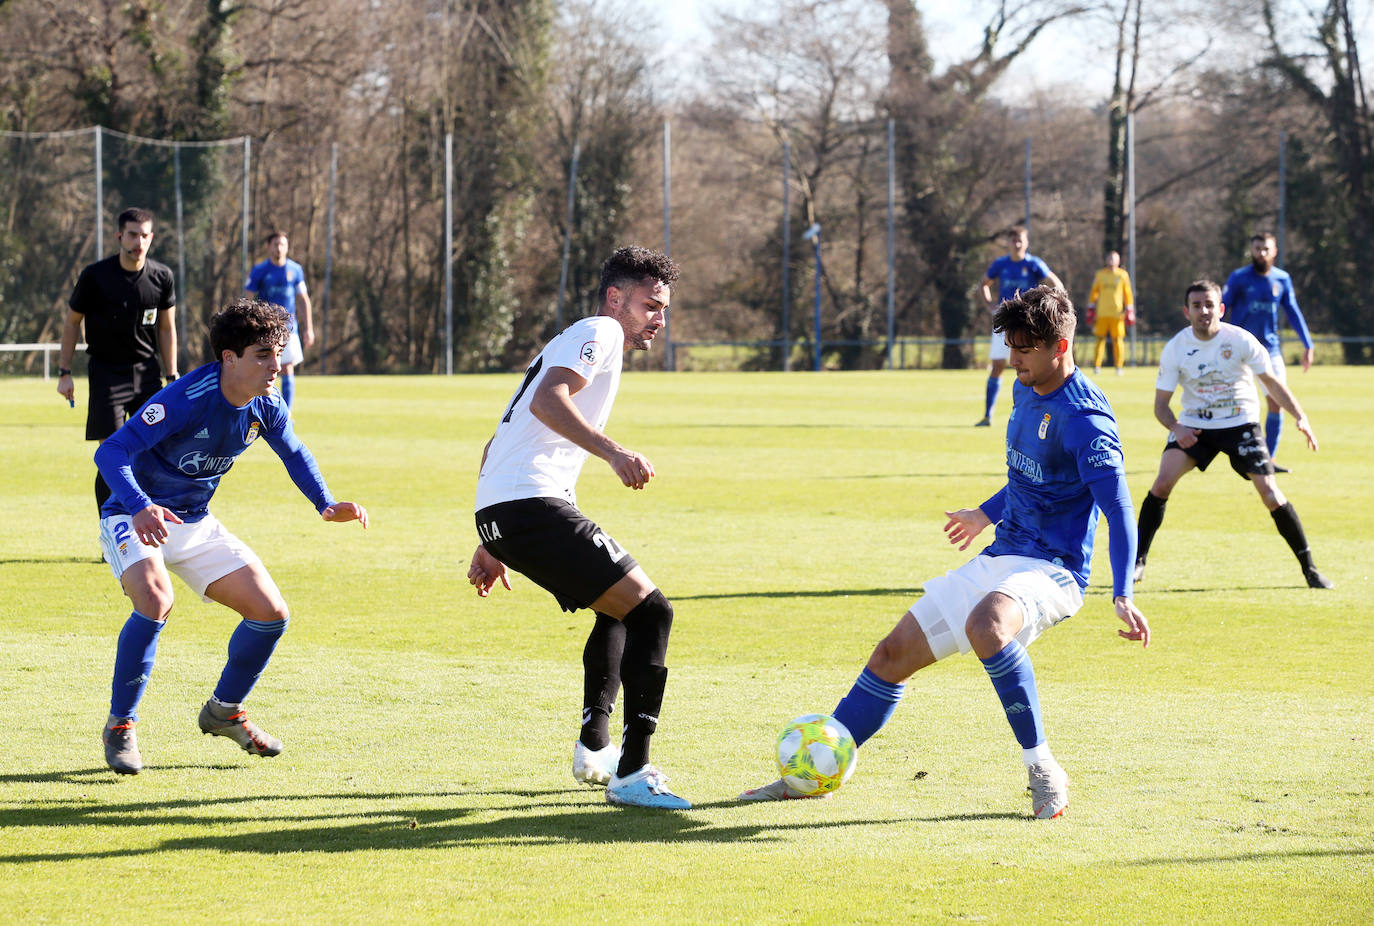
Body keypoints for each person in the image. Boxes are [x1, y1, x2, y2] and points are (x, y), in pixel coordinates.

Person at [740, 284, 1149, 819]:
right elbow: (1032, 478)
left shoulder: (1086, 420)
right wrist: (985, 513)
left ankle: (1043, 768)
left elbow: (1119, 508)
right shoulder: (1026, 387)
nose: (1013, 359)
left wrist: (1123, 592)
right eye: (1010, 346)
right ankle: (813, 772)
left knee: (987, 626)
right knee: (890, 656)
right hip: (1003, 555)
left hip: (1054, 570)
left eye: (1025, 349)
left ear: (1061, 347)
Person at [94, 298, 368, 775]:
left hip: (194, 521)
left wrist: (325, 503)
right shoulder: (185, 398)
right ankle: (121, 726)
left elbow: (294, 452)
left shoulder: (267, 404)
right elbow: (111, 452)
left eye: (277, 353)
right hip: (132, 515)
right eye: (262, 354)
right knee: (155, 600)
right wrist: (140, 506)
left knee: (271, 613)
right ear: (229, 358)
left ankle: (224, 712)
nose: (275, 365)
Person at [467, 246, 690, 810]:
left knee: (620, 608)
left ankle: (595, 747)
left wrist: (491, 542)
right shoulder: (601, 331)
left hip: (506, 510)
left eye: (663, 308)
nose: (658, 319)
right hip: (529, 505)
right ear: (615, 298)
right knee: (653, 612)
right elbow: (547, 400)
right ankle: (633, 774)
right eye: (650, 305)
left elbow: (497, 441)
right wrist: (613, 452)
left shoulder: (571, 340)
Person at [1133, 280, 1332, 589]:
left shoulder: (1241, 340)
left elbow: (1272, 383)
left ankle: (1310, 569)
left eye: (1209, 305)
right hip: (1196, 425)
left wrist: (1300, 416)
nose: (1204, 311)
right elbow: (1161, 406)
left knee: (1270, 493)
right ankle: (1138, 562)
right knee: (1161, 483)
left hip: (1240, 424)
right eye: (1197, 306)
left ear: (1221, 309)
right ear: (1186, 311)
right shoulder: (1176, 348)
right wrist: (1177, 428)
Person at [57, 207, 180, 513]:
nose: (139, 241)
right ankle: (110, 527)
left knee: (152, 454)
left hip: (147, 375)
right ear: (119, 236)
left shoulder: (162, 277)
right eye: (133, 235)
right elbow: (72, 322)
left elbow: (167, 328)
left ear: (152, 238)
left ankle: (149, 525)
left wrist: (172, 376)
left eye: (145, 235)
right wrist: (64, 372)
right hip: (106, 375)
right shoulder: (95, 276)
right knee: (112, 456)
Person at [1221, 233, 1314, 469]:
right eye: (1257, 248)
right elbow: (1220, 308)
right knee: (1226, 402)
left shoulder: (1282, 279)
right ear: (1251, 250)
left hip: (1269, 350)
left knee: (1276, 401)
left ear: (1274, 251)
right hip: (1238, 349)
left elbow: (1293, 311)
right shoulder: (1239, 278)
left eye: (1266, 249)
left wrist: (1308, 344)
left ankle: (1267, 460)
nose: (1261, 253)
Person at [977, 225, 1064, 426]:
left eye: (1020, 240)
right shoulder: (1001, 264)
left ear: (1026, 243)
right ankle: (987, 415)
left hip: (1027, 324)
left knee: (1030, 367)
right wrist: (990, 306)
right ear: (1008, 242)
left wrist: (1049, 306)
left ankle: (1031, 415)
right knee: (998, 366)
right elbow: (983, 283)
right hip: (1005, 322)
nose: (1016, 244)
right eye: (1013, 240)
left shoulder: (1033, 263)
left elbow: (1055, 283)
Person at [244, 231, 314, 409]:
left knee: (287, 367)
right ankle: (263, 409)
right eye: (276, 244)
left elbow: (303, 300)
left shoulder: (295, 270)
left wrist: (309, 328)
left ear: (287, 247)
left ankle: (286, 413)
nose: (279, 248)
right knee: (264, 368)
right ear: (269, 247)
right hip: (265, 328)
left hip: (289, 328)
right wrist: (247, 324)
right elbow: (248, 298)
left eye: (283, 244)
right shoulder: (259, 270)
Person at [1086, 250, 1135, 375]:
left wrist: (1129, 310)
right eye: (1110, 258)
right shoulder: (1100, 275)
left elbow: (1127, 293)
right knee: (1099, 339)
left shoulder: (1123, 275)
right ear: (1106, 260)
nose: (1112, 261)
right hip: (1102, 313)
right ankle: (1097, 366)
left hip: (1117, 313)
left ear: (1119, 261)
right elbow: (1094, 292)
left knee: (1118, 340)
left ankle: (1119, 367)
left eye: (1114, 259)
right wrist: (1091, 308)